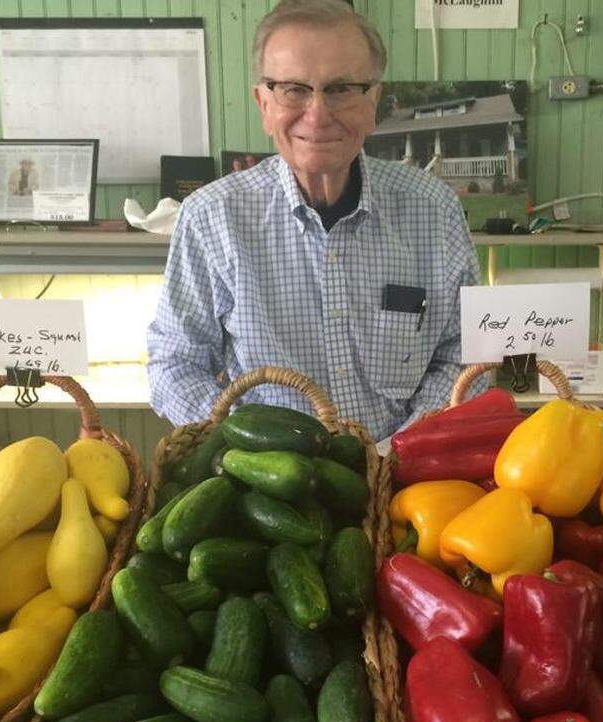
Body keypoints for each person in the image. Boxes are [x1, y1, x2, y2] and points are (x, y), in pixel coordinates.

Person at [146, 0, 479, 441]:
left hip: (408, 478)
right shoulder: (211, 218)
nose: (318, 114)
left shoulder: (434, 209)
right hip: (270, 489)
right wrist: (251, 445)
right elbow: (175, 363)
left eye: (341, 88)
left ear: (373, 102)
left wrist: (402, 448)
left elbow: (466, 353)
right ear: (263, 103)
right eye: (293, 89)